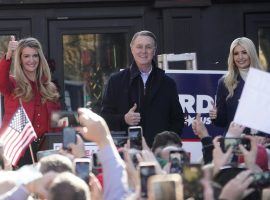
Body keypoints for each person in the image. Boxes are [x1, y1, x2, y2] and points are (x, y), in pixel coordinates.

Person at [100, 30, 184, 146]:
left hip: (158, 152)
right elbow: (104, 118)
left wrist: (166, 145)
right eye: (139, 47)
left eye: (148, 47)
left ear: (154, 50)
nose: (144, 51)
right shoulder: (116, 81)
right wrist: (124, 119)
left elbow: (178, 120)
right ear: (132, 49)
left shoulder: (168, 83)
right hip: (127, 150)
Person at [0, 36, 61, 166]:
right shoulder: (13, 84)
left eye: (35, 56)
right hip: (20, 150)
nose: (31, 60)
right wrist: (9, 55)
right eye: (26, 56)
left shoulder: (49, 87)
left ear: (40, 59)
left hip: (46, 150)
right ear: (20, 60)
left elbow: (57, 123)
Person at [209, 37, 267, 132]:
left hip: (261, 141)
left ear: (251, 53)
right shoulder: (225, 82)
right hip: (234, 142)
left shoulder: (264, 80)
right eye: (236, 54)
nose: (240, 57)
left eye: (244, 52)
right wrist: (215, 116)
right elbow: (222, 122)